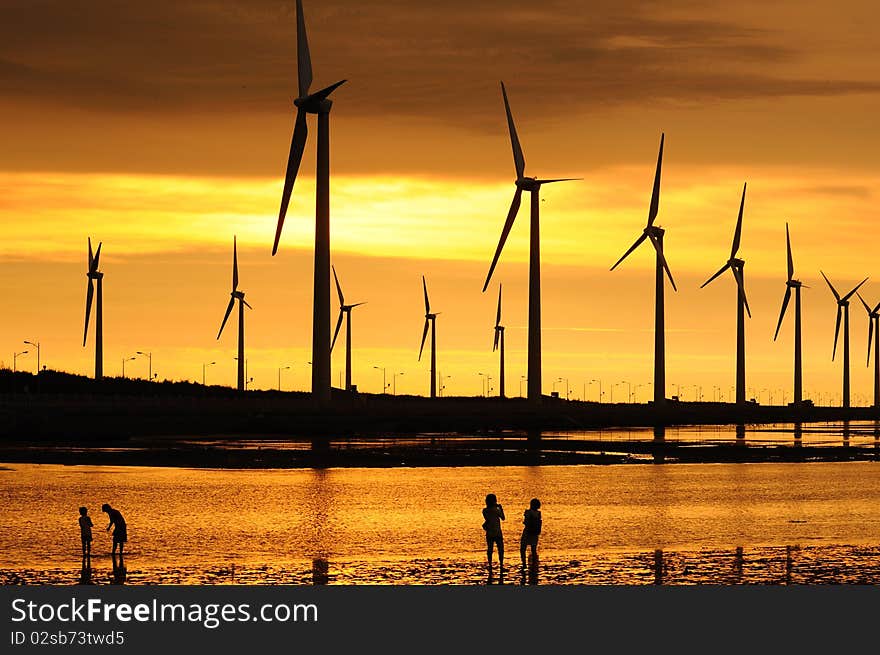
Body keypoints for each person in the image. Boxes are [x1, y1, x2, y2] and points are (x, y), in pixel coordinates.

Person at [482, 493, 505, 569]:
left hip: (490, 532)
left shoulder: (485, 510)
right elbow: (503, 518)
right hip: (497, 532)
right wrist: (500, 508)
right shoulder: (496, 510)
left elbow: (487, 519)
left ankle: (490, 563)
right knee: (500, 548)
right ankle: (501, 563)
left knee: (490, 549)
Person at [520, 498, 542, 568]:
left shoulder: (528, 512)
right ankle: (534, 564)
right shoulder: (538, 513)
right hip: (535, 533)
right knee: (533, 549)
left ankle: (524, 564)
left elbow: (526, 522)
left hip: (527, 532)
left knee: (523, 548)